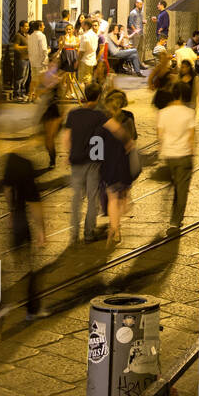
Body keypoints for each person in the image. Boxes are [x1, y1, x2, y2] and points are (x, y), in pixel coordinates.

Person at [0, 137, 49, 341]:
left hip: (13, 220)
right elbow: (35, 203)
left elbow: (6, 189)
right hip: (23, 223)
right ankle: (28, 309)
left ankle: (2, 316)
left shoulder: (9, 160)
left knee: (8, 271)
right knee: (28, 269)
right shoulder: (26, 165)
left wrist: (11, 212)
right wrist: (42, 230)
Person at [63, 83, 106, 243]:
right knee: (92, 198)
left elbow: (67, 137)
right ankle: (89, 233)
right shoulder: (100, 116)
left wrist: (68, 154)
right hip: (94, 161)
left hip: (76, 160)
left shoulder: (73, 114)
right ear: (98, 96)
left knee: (76, 199)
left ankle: (73, 234)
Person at [99, 89, 138, 246]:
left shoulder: (102, 120)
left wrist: (96, 161)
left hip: (108, 164)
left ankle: (114, 228)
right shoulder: (128, 117)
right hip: (124, 162)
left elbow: (96, 143)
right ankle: (117, 222)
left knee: (112, 198)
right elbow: (133, 137)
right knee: (122, 195)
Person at [157, 82, 196, 237]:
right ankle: (174, 222)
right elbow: (191, 137)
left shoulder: (163, 112)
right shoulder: (189, 112)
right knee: (181, 191)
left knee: (173, 187)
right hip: (183, 155)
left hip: (168, 155)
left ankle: (169, 213)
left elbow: (159, 136)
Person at [27, 20, 49, 101]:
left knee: (33, 79)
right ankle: (36, 96)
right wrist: (46, 55)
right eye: (43, 25)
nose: (44, 27)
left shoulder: (31, 36)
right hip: (41, 61)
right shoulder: (41, 36)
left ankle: (30, 95)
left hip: (33, 61)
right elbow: (43, 49)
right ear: (39, 27)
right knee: (41, 80)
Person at [78, 19, 99, 85]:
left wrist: (77, 61)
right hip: (92, 59)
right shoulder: (94, 35)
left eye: (83, 24)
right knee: (89, 77)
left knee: (83, 80)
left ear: (86, 25)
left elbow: (82, 51)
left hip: (85, 60)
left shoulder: (85, 35)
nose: (81, 25)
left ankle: (85, 94)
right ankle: (88, 93)